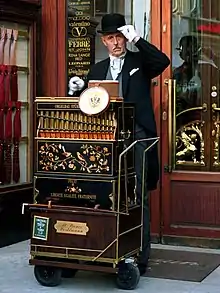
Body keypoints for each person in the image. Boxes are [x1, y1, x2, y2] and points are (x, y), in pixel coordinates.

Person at [68, 13, 170, 275]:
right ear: (104, 41)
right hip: (107, 142)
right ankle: (105, 248)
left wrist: (138, 38)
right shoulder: (96, 69)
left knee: (138, 197)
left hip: (137, 137)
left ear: (125, 38)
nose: (116, 42)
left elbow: (162, 61)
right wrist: (76, 90)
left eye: (120, 37)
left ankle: (140, 256)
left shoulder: (140, 62)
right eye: (110, 38)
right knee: (105, 195)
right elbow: (92, 103)